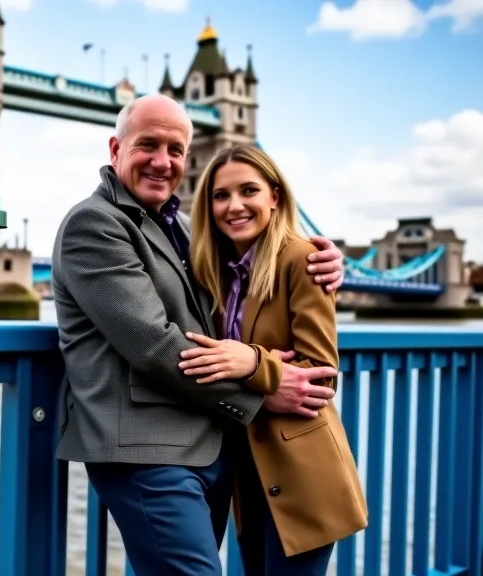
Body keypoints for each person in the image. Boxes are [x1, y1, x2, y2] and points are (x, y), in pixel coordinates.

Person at [49, 93, 345, 575]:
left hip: (212, 444)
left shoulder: (189, 227)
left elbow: (262, 256)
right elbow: (155, 345)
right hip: (144, 450)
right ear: (115, 148)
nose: (162, 162)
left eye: (176, 150)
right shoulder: (94, 223)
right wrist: (263, 392)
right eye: (147, 145)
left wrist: (324, 261)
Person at [178, 143, 367, 575]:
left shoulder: (302, 259)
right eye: (221, 195)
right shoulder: (212, 272)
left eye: (249, 191)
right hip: (247, 473)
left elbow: (320, 377)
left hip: (302, 476)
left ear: (275, 197)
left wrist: (252, 363)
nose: (235, 205)